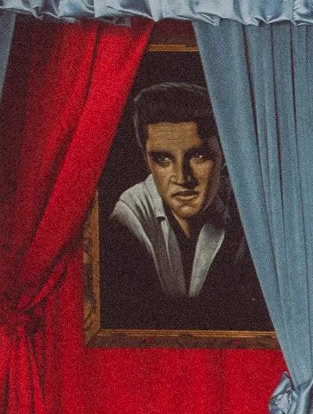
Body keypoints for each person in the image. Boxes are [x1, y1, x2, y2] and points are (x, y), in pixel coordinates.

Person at [101, 81, 271, 332]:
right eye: (162, 159)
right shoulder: (129, 215)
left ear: (224, 155)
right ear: (146, 160)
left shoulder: (252, 207)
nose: (182, 177)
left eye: (198, 156)